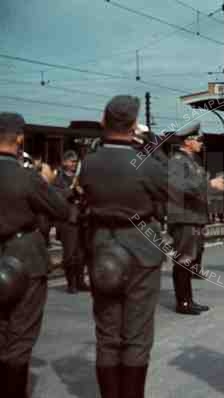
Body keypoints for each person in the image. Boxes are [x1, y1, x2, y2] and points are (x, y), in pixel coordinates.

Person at [78, 95, 219, 397]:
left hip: (102, 246)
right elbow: (173, 187)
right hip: (140, 247)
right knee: (137, 334)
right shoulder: (143, 164)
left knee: (107, 333)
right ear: (133, 126)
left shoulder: (90, 162)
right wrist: (151, 147)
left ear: (104, 123)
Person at [0, 112, 70, 398]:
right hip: (23, 258)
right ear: (19, 139)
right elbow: (61, 211)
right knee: (20, 334)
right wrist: (47, 180)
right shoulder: (26, 176)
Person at [167, 123, 224, 315]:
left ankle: (188, 299)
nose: (201, 143)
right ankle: (182, 302)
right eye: (199, 139)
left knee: (190, 260)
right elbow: (182, 188)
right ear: (187, 141)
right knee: (184, 259)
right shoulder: (177, 161)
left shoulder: (192, 161)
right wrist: (209, 184)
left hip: (194, 216)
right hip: (184, 217)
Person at [54, 149, 90, 293]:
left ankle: (80, 281)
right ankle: (71, 283)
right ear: (64, 162)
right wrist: (72, 189)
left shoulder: (80, 177)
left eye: (76, 161)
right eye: (71, 161)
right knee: (70, 254)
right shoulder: (59, 178)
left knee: (82, 254)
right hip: (68, 220)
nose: (74, 164)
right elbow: (57, 197)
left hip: (82, 218)